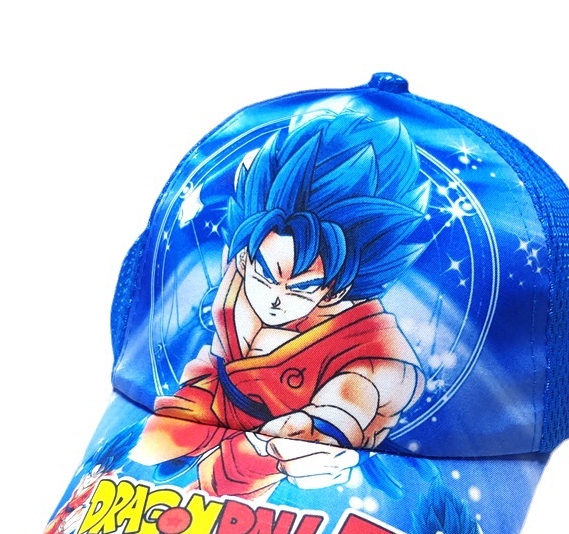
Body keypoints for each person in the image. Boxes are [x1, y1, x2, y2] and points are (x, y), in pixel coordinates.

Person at [131, 110, 431, 502]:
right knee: (148, 452)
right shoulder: (239, 269)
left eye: (302, 288)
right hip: (205, 406)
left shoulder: (369, 340)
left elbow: (369, 383)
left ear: (334, 292)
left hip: (273, 452)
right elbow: (219, 352)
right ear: (244, 258)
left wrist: (327, 426)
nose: (276, 298)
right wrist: (187, 413)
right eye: (266, 275)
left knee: (225, 491)